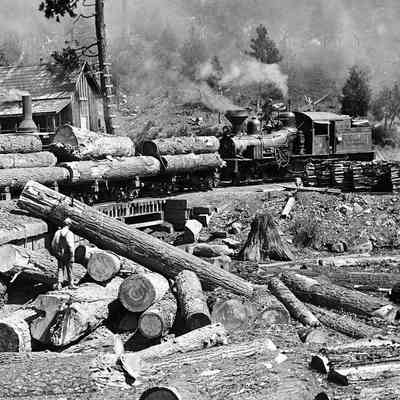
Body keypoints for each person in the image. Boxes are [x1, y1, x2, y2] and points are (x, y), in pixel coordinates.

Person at [51, 218, 75, 290]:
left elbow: (53, 244)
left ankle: (59, 284)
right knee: (70, 269)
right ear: (69, 225)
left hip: (59, 254)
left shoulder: (57, 232)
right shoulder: (69, 233)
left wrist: (56, 253)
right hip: (67, 254)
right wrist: (72, 256)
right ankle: (71, 284)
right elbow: (71, 246)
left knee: (60, 268)